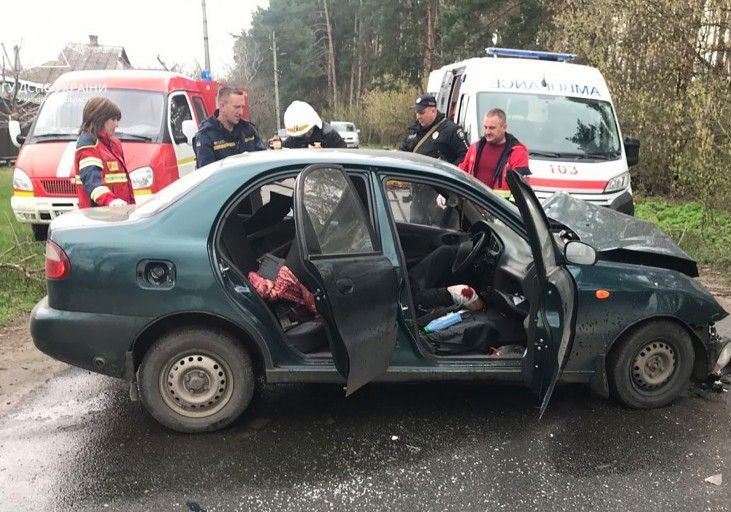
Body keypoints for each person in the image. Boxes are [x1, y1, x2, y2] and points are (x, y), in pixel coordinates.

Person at [74, 97, 134, 208]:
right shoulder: (89, 145)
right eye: (113, 119)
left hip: (118, 214)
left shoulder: (113, 144)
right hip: (100, 218)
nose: (117, 124)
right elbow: (92, 181)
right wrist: (110, 201)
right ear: (100, 119)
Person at [458, 108, 530, 193]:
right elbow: (461, 173)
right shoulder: (474, 148)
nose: (487, 132)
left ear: (504, 127)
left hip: (499, 206)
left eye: (492, 128)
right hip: (472, 204)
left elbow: (521, 189)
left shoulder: (518, 153)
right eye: (485, 127)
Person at [193, 86, 266, 168]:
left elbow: (263, 161)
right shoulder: (205, 136)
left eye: (242, 107)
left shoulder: (248, 130)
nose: (241, 112)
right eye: (237, 107)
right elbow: (208, 176)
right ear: (222, 106)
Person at [400, 94, 469, 165]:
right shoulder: (413, 129)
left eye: (421, 113)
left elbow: (465, 156)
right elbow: (403, 151)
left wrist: (447, 170)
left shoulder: (451, 130)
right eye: (416, 113)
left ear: (433, 111)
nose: (418, 116)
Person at [281, 101, 347, 149]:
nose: (305, 136)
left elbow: (344, 156)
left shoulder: (329, 135)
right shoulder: (293, 139)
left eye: (307, 132)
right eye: (301, 135)